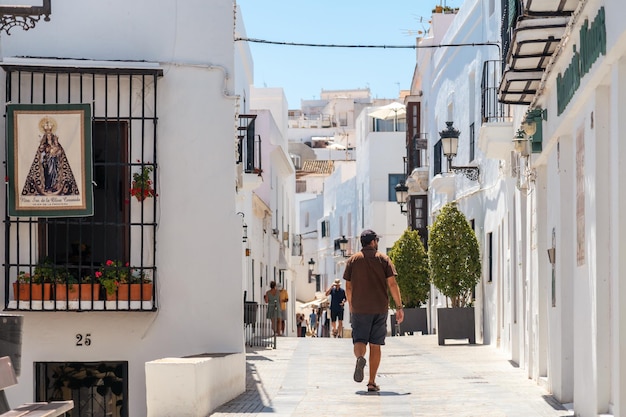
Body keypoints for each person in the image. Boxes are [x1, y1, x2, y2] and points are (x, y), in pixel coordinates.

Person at [344, 229, 404, 393]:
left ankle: (360, 358)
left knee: (359, 341)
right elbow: (392, 284)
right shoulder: (383, 259)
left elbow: (348, 286)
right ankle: (371, 382)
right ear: (373, 242)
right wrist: (399, 307)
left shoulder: (352, 260)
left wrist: (351, 303)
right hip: (379, 308)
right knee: (376, 345)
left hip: (359, 308)